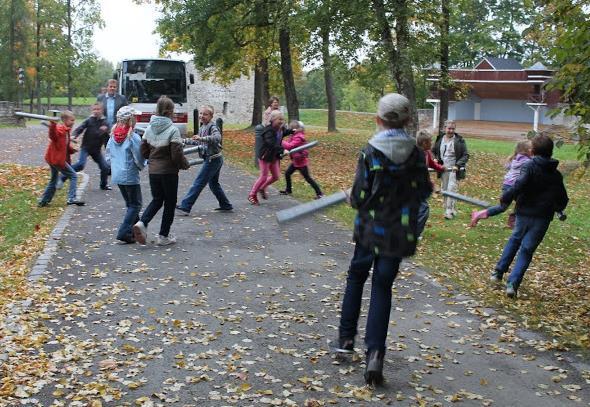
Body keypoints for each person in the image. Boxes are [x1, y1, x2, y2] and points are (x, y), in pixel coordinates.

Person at [332, 93, 431, 386]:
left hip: (370, 230)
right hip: (398, 232)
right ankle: (375, 354)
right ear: (408, 121)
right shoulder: (415, 154)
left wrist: (352, 197)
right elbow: (423, 191)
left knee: (356, 277)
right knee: (382, 287)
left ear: (378, 119)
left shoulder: (370, 151)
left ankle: (346, 340)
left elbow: (360, 196)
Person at [490, 134, 568, 298]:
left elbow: (519, 185)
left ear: (532, 151)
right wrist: (558, 207)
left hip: (524, 212)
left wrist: (506, 197)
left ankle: (498, 272)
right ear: (550, 152)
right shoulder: (556, 175)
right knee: (527, 250)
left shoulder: (529, 167)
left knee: (515, 239)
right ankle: (512, 284)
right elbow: (562, 198)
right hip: (543, 218)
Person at [133, 96, 189, 246]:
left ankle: (142, 222)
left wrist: (153, 158)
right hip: (169, 172)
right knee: (170, 203)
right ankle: (163, 235)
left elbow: (143, 150)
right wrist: (184, 164)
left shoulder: (149, 129)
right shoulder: (173, 130)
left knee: (157, 200)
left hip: (153, 171)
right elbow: (176, 154)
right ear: (170, 112)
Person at [176, 105, 233, 215]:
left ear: (211, 116)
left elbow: (217, 138)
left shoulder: (212, 127)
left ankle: (186, 206)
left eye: (205, 114)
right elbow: (198, 142)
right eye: (201, 114)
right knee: (213, 184)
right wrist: (184, 141)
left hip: (213, 160)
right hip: (214, 159)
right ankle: (226, 205)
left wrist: (202, 138)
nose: (202, 116)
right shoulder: (203, 127)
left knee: (199, 182)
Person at [471, 140, 532, 227]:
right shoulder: (526, 161)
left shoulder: (516, 158)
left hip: (507, 185)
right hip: (514, 186)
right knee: (523, 203)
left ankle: (513, 219)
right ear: (526, 151)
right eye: (532, 149)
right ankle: (479, 214)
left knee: (513, 204)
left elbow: (508, 167)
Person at [107, 106, 145, 244]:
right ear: (131, 120)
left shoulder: (113, 135)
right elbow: (139, 156)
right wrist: (143, 165)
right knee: (136, 205)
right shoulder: (133, 137)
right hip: (129, 174)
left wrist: (113, 167)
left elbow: (108, 155)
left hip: (118, 174)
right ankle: (124, 232)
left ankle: (138, 231)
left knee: (130, 204)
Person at [38, 111, 85, 207]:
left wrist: (72, 150)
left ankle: (44, 201)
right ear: (65, 120)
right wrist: (53, 124)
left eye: (74, 120)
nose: (73, 122)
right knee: (73, 176)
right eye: (71, 120)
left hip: (53, 158)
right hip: (56, 160)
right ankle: (71, 198)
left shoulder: (66, 131)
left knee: (54, 180)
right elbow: (53, 135)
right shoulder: (60, 129)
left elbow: (64, 146)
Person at [62, 103, 111, 190]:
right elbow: (81, 128)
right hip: (86, 147)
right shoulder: (89, 120)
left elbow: (107, 137)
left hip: (96, 150)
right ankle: (63, 176)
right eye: (94, 109)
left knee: (105, 167)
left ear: (102, 110)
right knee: (81, 164)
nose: (96, 111)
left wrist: (109, 148)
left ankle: (103, 185)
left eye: (98, 109)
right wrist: (74, 135)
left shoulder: (105, 123)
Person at [248, 110, 293, 205]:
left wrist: (292, 131)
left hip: (274, 157)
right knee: (264, 176)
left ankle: (262, 187)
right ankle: (252, 195)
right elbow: (271, 143)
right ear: (272, 120)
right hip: (266, 156)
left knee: (276, 176)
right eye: (279, 119)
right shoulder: (268, 131)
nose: (281, 121)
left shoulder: (280, 129)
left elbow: (283, 133)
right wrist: (282, 150)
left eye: (282, 119)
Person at [432, 120, 469, 219]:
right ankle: (449, 208)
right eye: (449, 128)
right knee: (444, 189)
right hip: (443, 168)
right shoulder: (440, 139)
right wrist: (435, 158)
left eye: (453, 129)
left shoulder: (459, 140)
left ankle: (449, 211)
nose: (451, 130)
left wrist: (457, 165)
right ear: (444, 128)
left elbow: (465, 155)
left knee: (451, 188)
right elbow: (433, 151)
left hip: (454, 169)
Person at [279, 120, 323, 199]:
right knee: (287, 173)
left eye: (292, 128)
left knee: (308, 178)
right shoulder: (294, 136)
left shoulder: (299, 137)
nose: (290, 130)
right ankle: (288, 190)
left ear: (297, 129)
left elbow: (289, 146)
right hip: (295, 161)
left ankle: (320, 194)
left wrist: (280, 140)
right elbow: (288, 145)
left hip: (301, 162)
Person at [416, 129, 445, 237]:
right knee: (423, 209)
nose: (432, 143)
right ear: (424, 143)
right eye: (430, 141)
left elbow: (431, 163)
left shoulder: (427, 152)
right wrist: (433, 186)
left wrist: (441, 168)